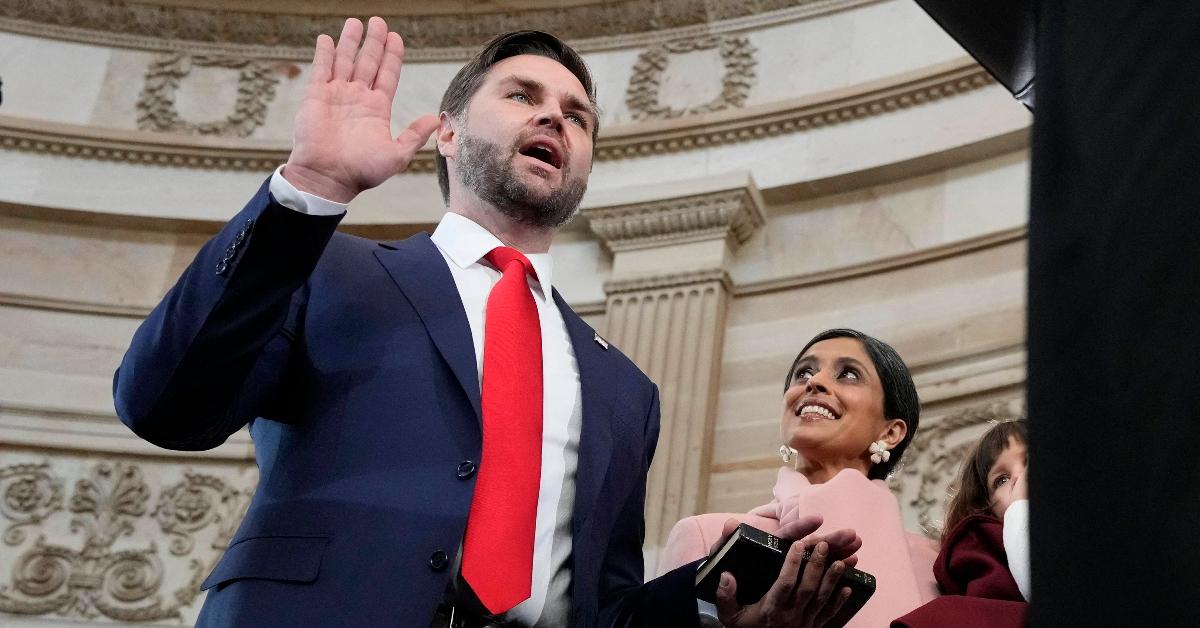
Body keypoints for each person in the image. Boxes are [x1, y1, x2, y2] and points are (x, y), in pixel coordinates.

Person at [113, 18, 854, 628]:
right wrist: (310, 188)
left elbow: (605, 609)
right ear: (446, 134)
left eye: (577, 115)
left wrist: (712, 598)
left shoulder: (627, 390)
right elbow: (164, 405)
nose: (552, 118)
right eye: (522, 95)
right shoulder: (330, 268)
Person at [659, 328, 940, 627]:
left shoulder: (935, 562)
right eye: (804, 372)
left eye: (848, 374)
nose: (814, 382)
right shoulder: (707, 536)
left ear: (890, 432)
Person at [892, 420, 1029, 628]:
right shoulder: (979, 549)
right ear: (987, 508)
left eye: (1030, 461)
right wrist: (1020, 507)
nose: (1019, 478)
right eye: (1001, 480)